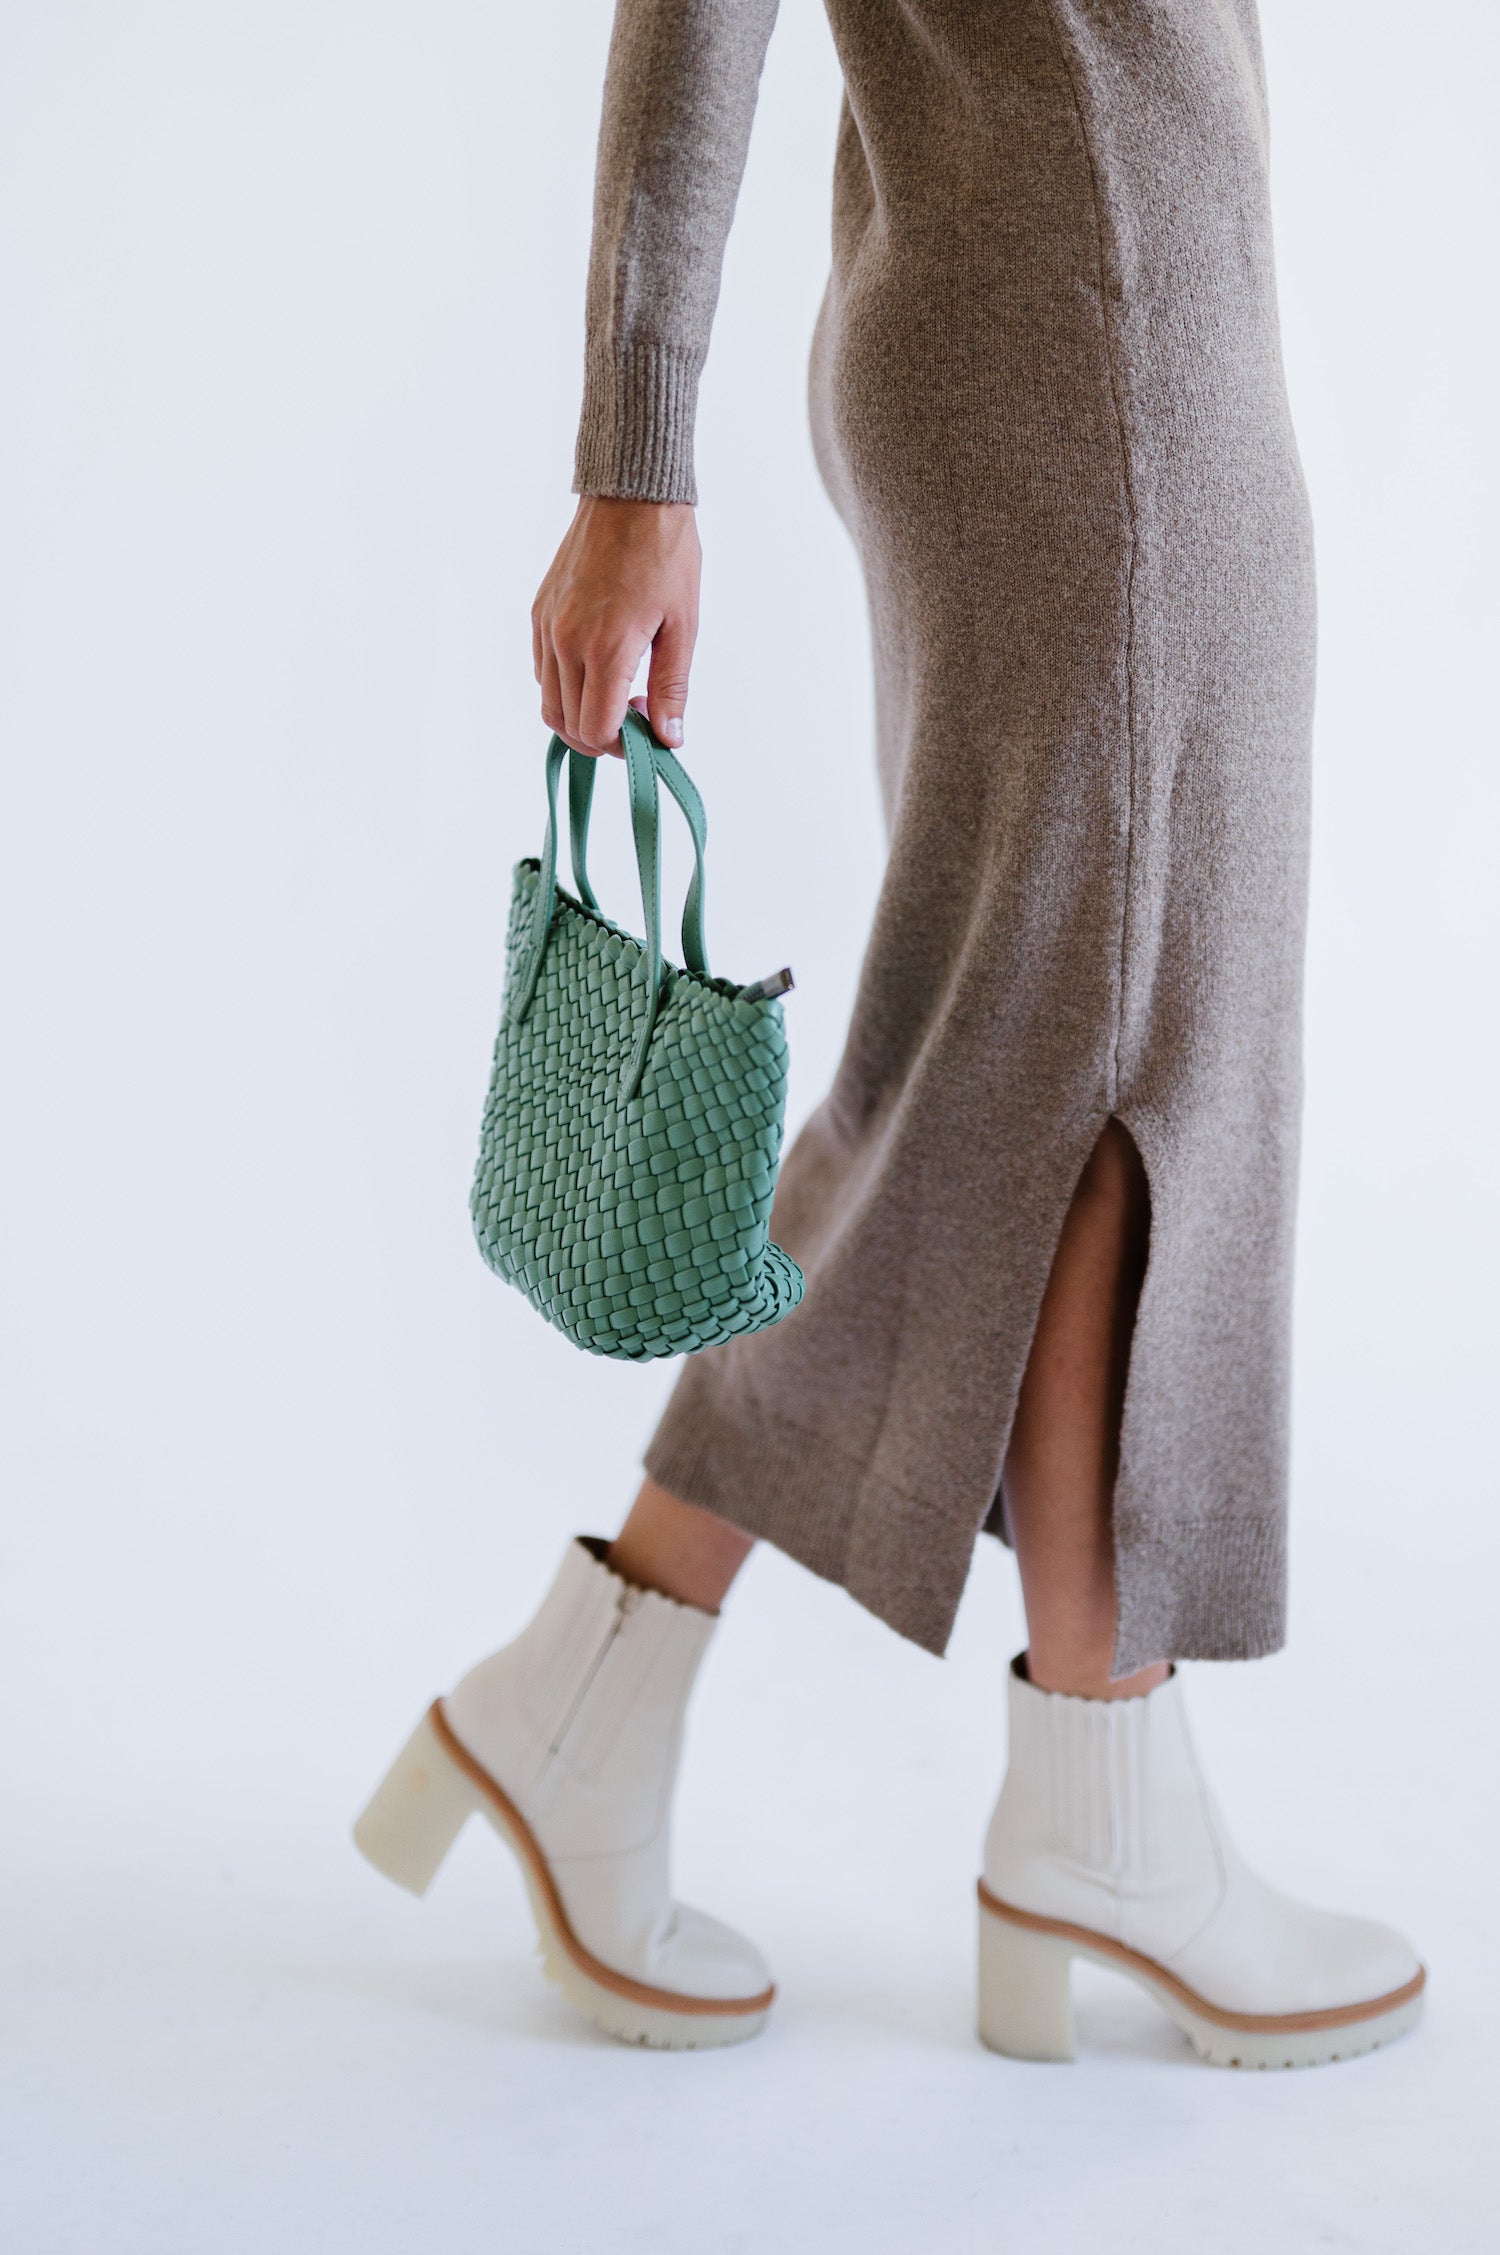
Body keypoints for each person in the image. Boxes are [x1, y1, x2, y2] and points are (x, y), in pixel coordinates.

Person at [355, 0, 1423, 2067]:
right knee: (1117, 1053)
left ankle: (594, 1699)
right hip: (1093, 336)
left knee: (1020, 1055)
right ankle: (1097, 1800)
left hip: (1084, 309)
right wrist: (633, 461)